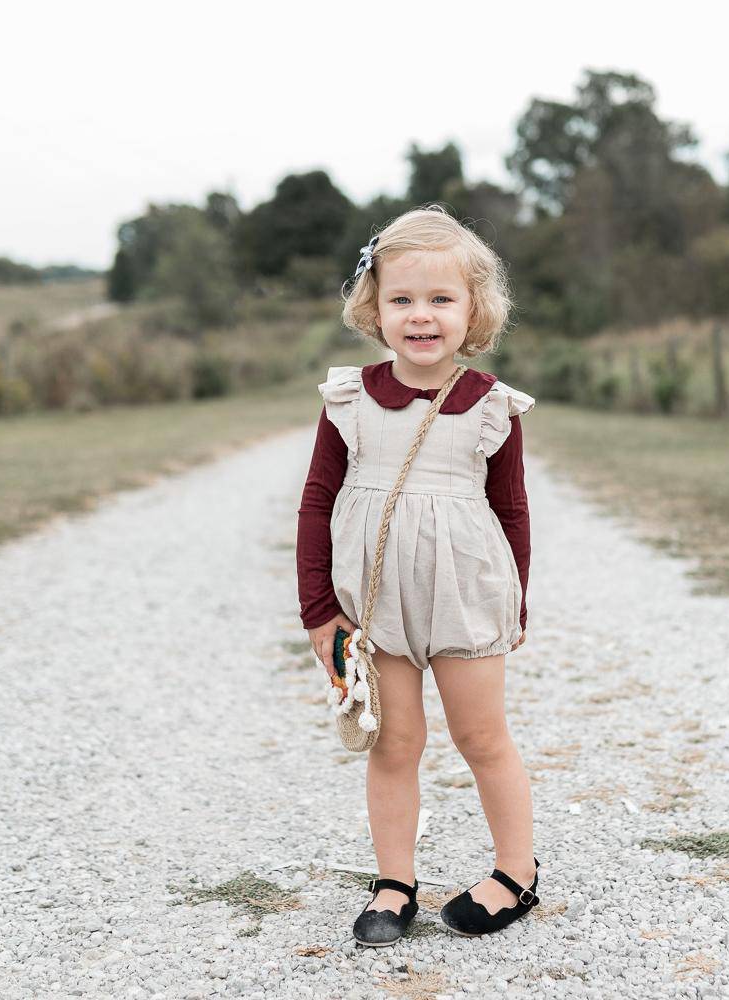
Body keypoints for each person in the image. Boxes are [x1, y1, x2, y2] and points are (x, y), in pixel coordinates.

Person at [296, 204, 540, 946]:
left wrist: (516, 604)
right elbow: (316, 501)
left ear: (475, 310)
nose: (421, 316)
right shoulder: (349, 403)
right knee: (393, 742)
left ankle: (515, 873)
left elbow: (512, 510)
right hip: (375, 607)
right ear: (375, 308)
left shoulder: (492, 408)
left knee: (482, 737)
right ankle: (394, 882)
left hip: (467, 600)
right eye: (402, 299)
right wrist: (317, 612)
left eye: (441, 299)